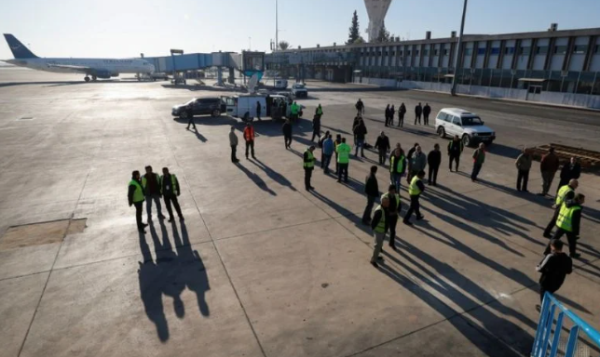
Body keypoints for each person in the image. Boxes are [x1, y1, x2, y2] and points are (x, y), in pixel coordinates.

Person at [544, 193, 585, 258]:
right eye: (583, 199)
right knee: (572, 241)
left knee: (554, 238)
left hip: (561, 224)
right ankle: (572, 254)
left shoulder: (566, 202)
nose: (584, 201)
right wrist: (576, 232)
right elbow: (576, 222)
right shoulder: (577, 208)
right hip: (569, 227)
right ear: (579, 199)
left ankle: (547, 251)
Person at [536, 239, 572, 308]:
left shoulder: (550, 256)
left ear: (552, 247)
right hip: (557, 283)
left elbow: (540, 268)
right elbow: (569, 271)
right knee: (548, 295)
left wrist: (537, 267)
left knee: (543, 297)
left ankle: (545, 312)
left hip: (546, 282)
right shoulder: (568, 259)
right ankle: (544, 308)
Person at [370, 196, 389, 268]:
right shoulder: (379, 211)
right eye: (387, 202)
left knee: (380, 245)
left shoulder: (385, 208)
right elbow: (373, 222)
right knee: (377, 246)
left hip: (382, 230)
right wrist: (375, 230)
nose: (388, 203)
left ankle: (377, 256)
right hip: (378, 231)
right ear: (384, 203)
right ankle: (373, 260)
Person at [382, 184, 401, 250]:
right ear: (389, 191)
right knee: (384, 231)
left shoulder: (396, 196)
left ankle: (391, 243)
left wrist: (397, 211)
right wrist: (389, 212)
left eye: (393, 191)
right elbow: (383, 207)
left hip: (394, 216)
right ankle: (380, 245)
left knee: (393, 231)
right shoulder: (385, 196)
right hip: (387, 217)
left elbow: (399, 205)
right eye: (391, 191)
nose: (392, 192)